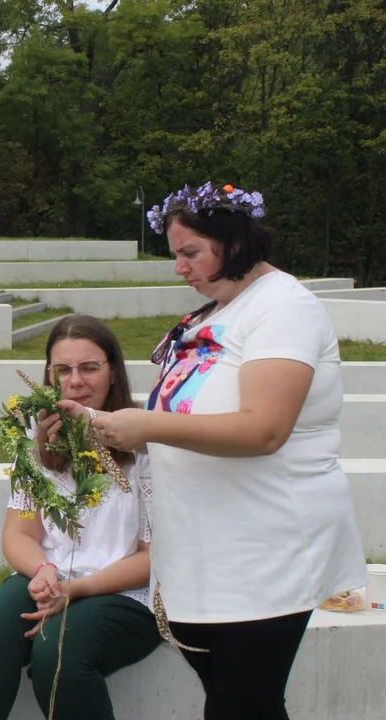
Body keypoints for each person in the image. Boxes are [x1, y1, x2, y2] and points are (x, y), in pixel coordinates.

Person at [77, 182, 366, 720]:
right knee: (239, 703)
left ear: (234, 242)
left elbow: (264, 430)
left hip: (267, 549)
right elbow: (186, 413)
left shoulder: (283, 309)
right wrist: (98, 424)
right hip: (207, 550)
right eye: (175, 255)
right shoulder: (215, 312)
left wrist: (147, 427)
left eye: (190, 253)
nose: (179, 268)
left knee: (242, 705)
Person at [0, 315, 160, 720]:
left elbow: (152, 556)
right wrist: (43, 569)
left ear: (113, 371)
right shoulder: (36, 438)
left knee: (56, 656)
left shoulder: (145, 441)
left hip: (124, 591)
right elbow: (18, 534)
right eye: (63, 369)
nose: (75, 380)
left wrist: (77, 589)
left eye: (89, 367)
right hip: (46, 576)